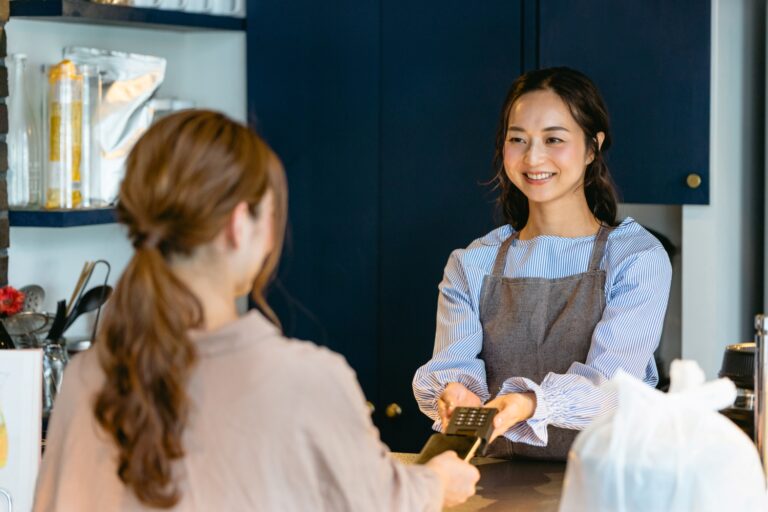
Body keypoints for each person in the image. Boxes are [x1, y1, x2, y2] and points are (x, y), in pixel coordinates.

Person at [33, 110, 479, 511]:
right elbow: (381, 502)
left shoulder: (86, 378)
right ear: (237, 225)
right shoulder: (308, 380)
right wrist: (437, 483)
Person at [412, 67, 672, 460]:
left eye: (554, 139)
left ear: (592, 147)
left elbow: (613, 388)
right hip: (491, 483)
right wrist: (454, 394)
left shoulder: (636, 258)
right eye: (518, 139)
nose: (533, 157)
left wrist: (528, 403)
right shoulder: (472, 263)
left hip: (602, 485)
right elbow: (452, 366)